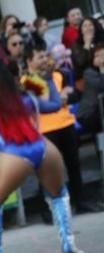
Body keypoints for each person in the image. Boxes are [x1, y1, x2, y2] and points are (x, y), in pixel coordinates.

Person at [0, 62, 84, 253]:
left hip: (13, 153)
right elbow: (55, 104)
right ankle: (69, 249)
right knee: (59, 196)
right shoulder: (30, 98)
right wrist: (50, 78)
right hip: (43, 148)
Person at [25, 45, 98, 213]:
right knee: (47, 170)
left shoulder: (58, 75)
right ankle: (49, 209)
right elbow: (45, 103)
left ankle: (80, 202)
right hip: (45, 129)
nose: (44, 60)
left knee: (74, 164)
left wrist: (66, 95)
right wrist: (60, 97)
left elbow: (72, 95)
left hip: (66, 124)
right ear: (29, 61)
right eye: (39, 57)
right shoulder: (27, 81)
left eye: (45, 56)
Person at [76, 45, 104, 136]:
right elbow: (101, 86)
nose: (101, 58)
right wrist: (102, 68)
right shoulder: (88, 73)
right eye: (97, 56)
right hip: (89, 113)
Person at [70, 17, 104, 85]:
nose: (88, 28)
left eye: (90, 25)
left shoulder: (101, 40)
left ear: (95, 27)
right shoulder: (76, 45)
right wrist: (87, 44)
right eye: (85, 26)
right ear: (81, 30)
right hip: (86, 79)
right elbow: (81, 62)